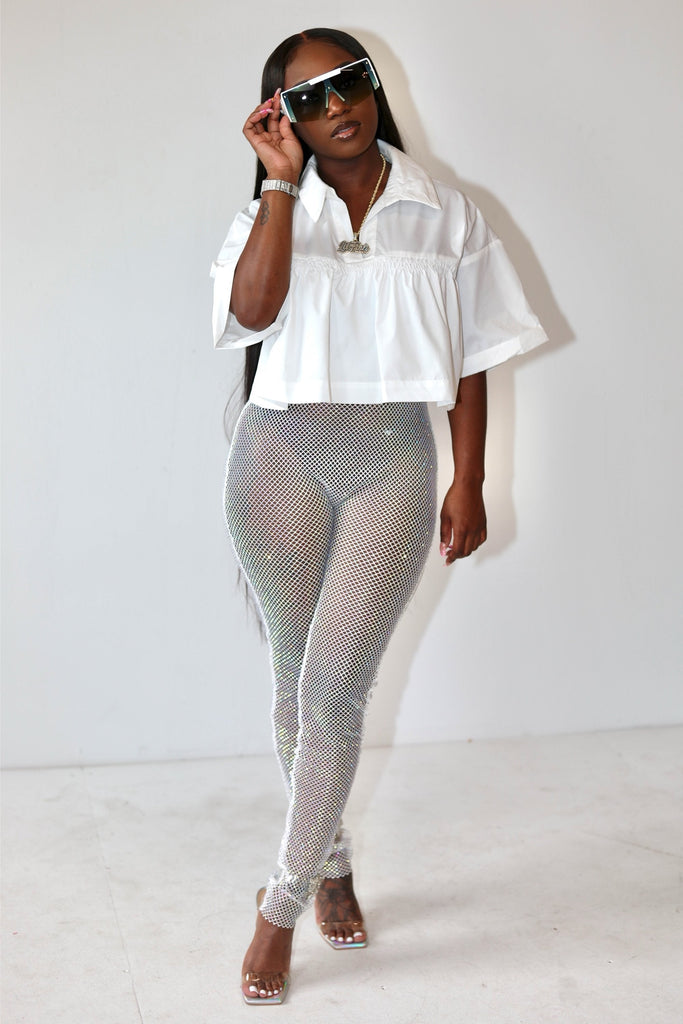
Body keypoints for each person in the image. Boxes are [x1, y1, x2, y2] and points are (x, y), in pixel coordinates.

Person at [210, 27, 547, 1005]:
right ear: (281, 117)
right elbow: (251, 312)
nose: (335, 107)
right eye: (307, 98)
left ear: (372, 87)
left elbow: (474, 357)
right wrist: (280, 187)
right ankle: (329, 861)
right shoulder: (268, 212)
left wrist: (468, 479)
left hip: (391, 462)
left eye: (348, 82)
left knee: (332, 691)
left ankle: (278, 906)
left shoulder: (446, 212)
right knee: (292, 680)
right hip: (276, 453)